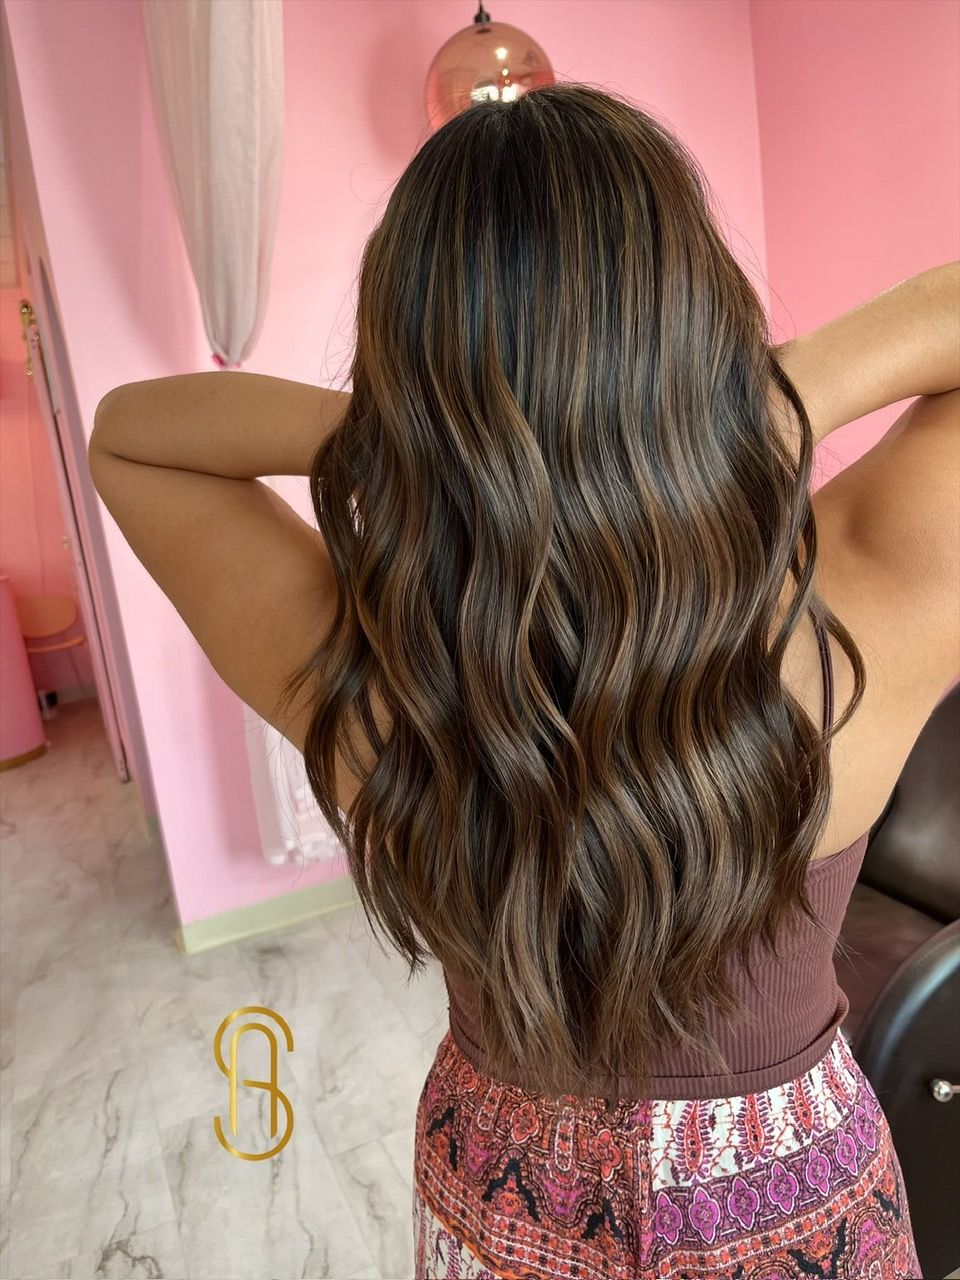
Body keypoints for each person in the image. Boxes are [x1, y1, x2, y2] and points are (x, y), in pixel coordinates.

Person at [88, 83, 957, 1279]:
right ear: (700, 314)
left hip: (501, 1194)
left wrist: (429, 440)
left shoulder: (370, 673)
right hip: (792, 1211)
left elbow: (132, 433)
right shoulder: (856, 589)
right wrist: (740, 403)